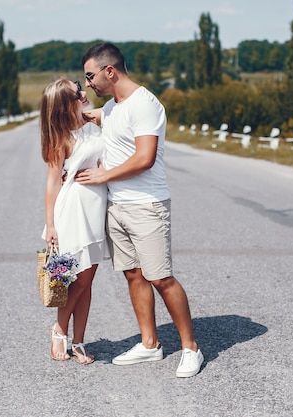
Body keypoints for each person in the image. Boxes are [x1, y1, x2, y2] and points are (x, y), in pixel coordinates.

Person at [76, 42, 204, 378]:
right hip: (117, 206)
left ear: (110, 71)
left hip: (147, 207)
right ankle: (150, 344)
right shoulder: (113, 108)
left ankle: (191, 348)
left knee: (160, 278)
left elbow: (145, 158)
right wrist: (67, 108)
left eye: (90, 76)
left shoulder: (145, 105)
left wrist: (103, 174)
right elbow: (92, 115)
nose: (88, 83)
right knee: (133, 275)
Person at [40, 77, 108, 365]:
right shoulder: (62, 139)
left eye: (80, 88)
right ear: (64, 106)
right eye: (76, 93)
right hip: (71, 214)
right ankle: (59, 331)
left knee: (88, 281)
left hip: (95, 211)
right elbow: (53, 184)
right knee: (74, 282)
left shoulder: (97, 123)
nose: (83, 93)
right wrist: (51, 225)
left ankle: (79, 341)